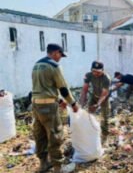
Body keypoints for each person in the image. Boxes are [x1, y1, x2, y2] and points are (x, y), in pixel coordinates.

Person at [32, 43, 79, 173]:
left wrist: (58, 100)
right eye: (60, 55)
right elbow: (63, 88)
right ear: (55, 52)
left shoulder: (36, 65)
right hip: (48, 106)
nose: (60, 58)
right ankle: (59, 167)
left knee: (40, 134)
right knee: (55, 134)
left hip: (36, 104)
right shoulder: (54, 65)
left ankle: (43, 164)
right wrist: (73, 104)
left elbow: (43, 88)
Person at [79, 61, 111, 143]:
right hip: (94, 96)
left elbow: (104, 94)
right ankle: (90, 134)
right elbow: (84, 89)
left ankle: (104, 137)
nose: (95, 73)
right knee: (89, 115)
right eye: (94, 71)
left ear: (102, 70)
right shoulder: (88, 75)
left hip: (104, 99)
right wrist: (81, 103)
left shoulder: (106, 78)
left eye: (98, 72)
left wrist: (97, 104)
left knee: (105, 118)